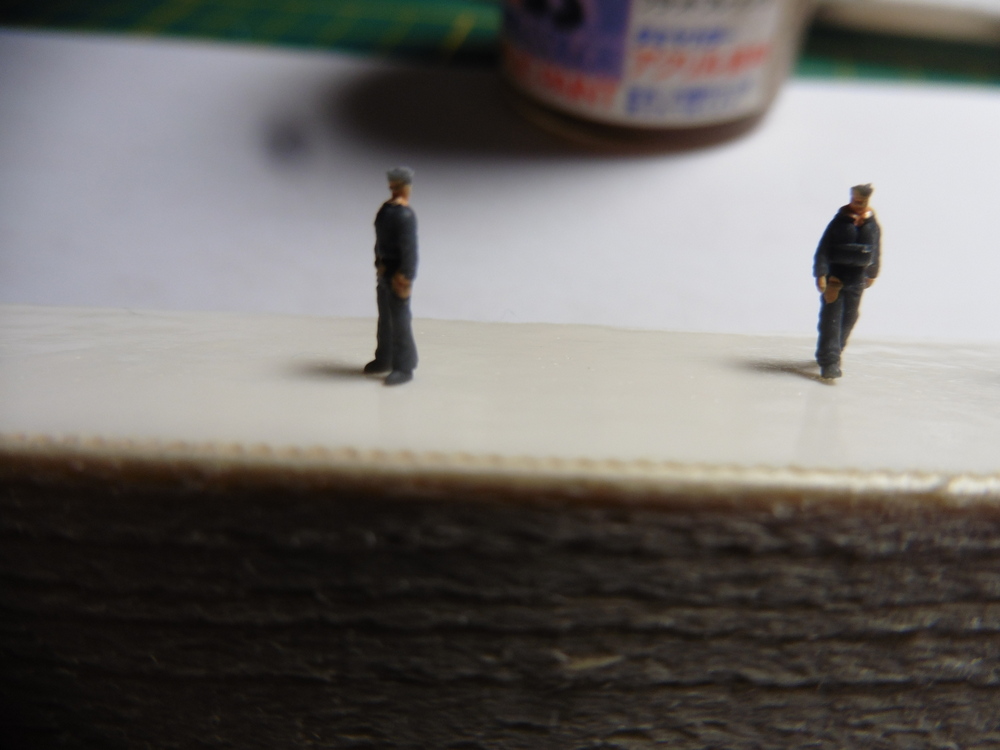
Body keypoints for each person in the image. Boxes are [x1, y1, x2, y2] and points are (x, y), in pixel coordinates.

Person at [813, 184, 880, 379]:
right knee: (831, 320)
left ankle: (835, 349)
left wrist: (872, 272)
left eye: (862, 201)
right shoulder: (839, 222)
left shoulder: (871, 224)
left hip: (857, 279)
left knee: (850, 317)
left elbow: (876, 249)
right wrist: (821, 273)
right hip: (836, 278)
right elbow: (823, 249)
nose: (858, 205)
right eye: (855, 200)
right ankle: (830, 361)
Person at [365, 167, 419, 386]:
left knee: (400, 321)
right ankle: (384, 358)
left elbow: (410, 250)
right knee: (385, 318)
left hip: (398, 275)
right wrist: (379, 262)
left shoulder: (405, 215)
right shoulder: (387, 211)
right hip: (385, 270)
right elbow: (379, 241)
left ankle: (404, 366)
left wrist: (406, 276)